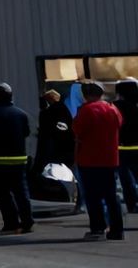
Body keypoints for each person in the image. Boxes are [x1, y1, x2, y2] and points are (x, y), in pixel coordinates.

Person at [0, 82, 34, 234]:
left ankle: (11, 222)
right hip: (19, 160)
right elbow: (26, 133)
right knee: (21, 193)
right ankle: (27, 221)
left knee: (2, 194)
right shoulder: (21, 114)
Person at [75, 81, 124, 241]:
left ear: (85, 94)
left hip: (89, 159)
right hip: (110, 158)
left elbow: (77, 130)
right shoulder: (112, 109)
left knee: (93, 196)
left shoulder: (86, 110)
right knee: (111, 196)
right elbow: (119, 124)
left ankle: (98, 228)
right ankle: (117, 230)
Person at [115, 78, 138, 214]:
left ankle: (132, 204)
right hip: (136, 147)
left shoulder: (114, 107)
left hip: (120, 148)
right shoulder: (135, 106)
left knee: (126, 180)